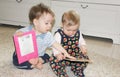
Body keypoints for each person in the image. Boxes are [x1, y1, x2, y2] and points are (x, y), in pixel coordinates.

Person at [12, 3, 75, 70]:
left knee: (48, 56)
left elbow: (56, 45)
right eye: (46, 23)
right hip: (25, 56)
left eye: (51, 23)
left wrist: (66, 53)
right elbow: (16, 35)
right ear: (36, 22)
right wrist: (19, 34)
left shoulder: (48, 35)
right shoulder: (27, 31)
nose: (50, 25)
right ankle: (33, 64)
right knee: (17, 62)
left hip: (39, 55)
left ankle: (38, 61)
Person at [49, 10, 89, 77]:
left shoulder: (78, 33)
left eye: (74, 30)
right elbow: (55, 46)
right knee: (54, 61)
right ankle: (62, 74)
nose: (71, 32)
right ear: (62, 24)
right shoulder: (59, 34)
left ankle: (78, 70)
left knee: (84, 59)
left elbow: (81, 41)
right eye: (68, 30)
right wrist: (57, 54)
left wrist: (83, 46)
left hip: (74, 57)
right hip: (62, 58)